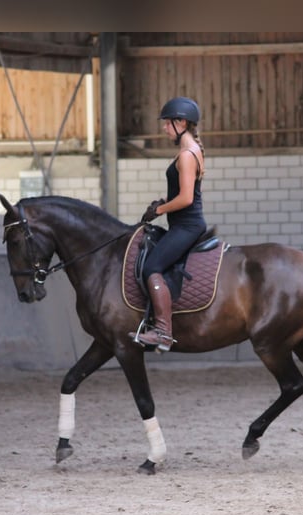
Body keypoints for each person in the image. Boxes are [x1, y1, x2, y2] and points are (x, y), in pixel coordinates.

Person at [130, 96, 207, 352]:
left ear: (181, 122)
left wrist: (160, 210)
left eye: (167, 124)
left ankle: (163, 331)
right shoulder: (192, 150)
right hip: (183, 224)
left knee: (152, 266)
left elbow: (185, 199)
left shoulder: (187, 155)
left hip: (187, 226)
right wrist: (162, 201)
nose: (164, 129)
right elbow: (185, 192)